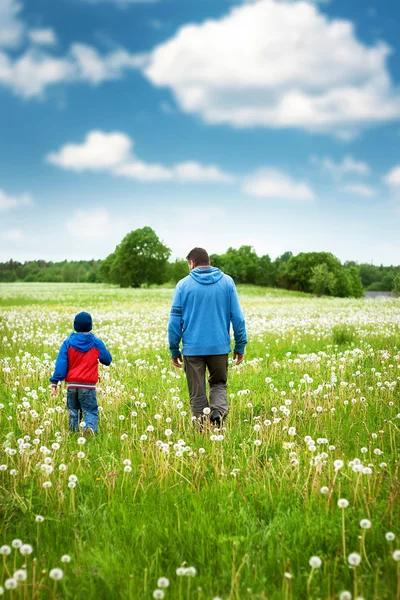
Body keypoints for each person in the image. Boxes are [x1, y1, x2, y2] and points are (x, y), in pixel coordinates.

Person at [168, 247, 247, 425]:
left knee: (197, 391)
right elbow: (238, 318)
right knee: (218, 383)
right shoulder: (227, 282)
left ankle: (201, 428)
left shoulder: (183, 285)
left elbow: (174, 322)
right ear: (208, 261)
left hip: (192, 349)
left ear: (192, 263)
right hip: (219, 347)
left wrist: (174, 349)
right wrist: (240, 345)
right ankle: (217, 411)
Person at [50, 311, 112, 436]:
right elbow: (107, 360)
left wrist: (55, 381)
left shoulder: (68, 343)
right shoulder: (96, 342)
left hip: (72, 385)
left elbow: (61, 364)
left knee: (73, 411)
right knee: (90, 410)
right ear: (91, 326)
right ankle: (89, 428)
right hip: (88, 386)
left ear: (74, 325)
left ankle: (73, 434)